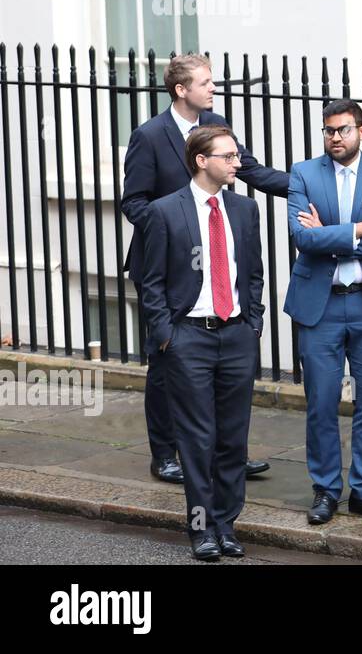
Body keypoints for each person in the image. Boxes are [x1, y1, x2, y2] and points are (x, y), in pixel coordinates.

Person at [121, 53, 286, 486]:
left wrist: (309, 185)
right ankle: (165, 454)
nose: (214, 88)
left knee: (221, 367)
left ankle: (225, 453)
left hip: (216, 261)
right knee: (166, 363)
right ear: (181, 89)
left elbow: (249, 171)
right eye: (207, 82)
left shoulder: (215, 124)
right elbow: (133, 201)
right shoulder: (150, 136)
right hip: (166, 264)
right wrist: (177, 226)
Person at [135, 125, 264, 560]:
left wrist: (254, 324)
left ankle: (227, 524)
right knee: (196, 439)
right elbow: (149, 282)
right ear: (201, 161)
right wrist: (166, 337)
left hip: (236, 333)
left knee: (233, 439)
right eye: (228, 157)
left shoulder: (245, 210)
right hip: (188, 336)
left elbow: (253, 274)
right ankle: (201, 528)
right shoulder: (164, 212)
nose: (236, 163)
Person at [284, 99, 362, 526]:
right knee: (321, 402)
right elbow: (302, 237)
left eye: (344, 129)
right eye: (329, 130)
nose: (336, 137)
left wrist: (330, 235)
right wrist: (358, 229)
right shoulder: (303, 173)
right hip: (321, 305)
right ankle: (325, 490)